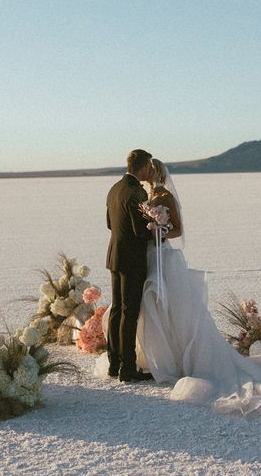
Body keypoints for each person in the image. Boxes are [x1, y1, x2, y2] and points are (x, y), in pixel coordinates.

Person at [134, 159, 261, 417]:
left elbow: (177, 229)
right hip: (153, 256)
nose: (143, 175)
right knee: (159, 309)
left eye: (145, 171)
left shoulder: (166, 195)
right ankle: (163, 357)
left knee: (180, 312)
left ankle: (184, 359)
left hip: (166, 258)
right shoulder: (150, 195)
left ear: (153, 171)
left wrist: (161, 227)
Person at [105, 149, 155, 382]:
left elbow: (109, 223)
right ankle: (127, 368)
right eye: (149, 167)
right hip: (132, 260)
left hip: (115, 255)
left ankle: (113, 364)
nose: (150, 171)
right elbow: (139, 230)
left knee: (117, 309)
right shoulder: (135, 192)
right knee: (129, 312)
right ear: (143, 167)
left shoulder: (115, 188)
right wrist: (159, 232)